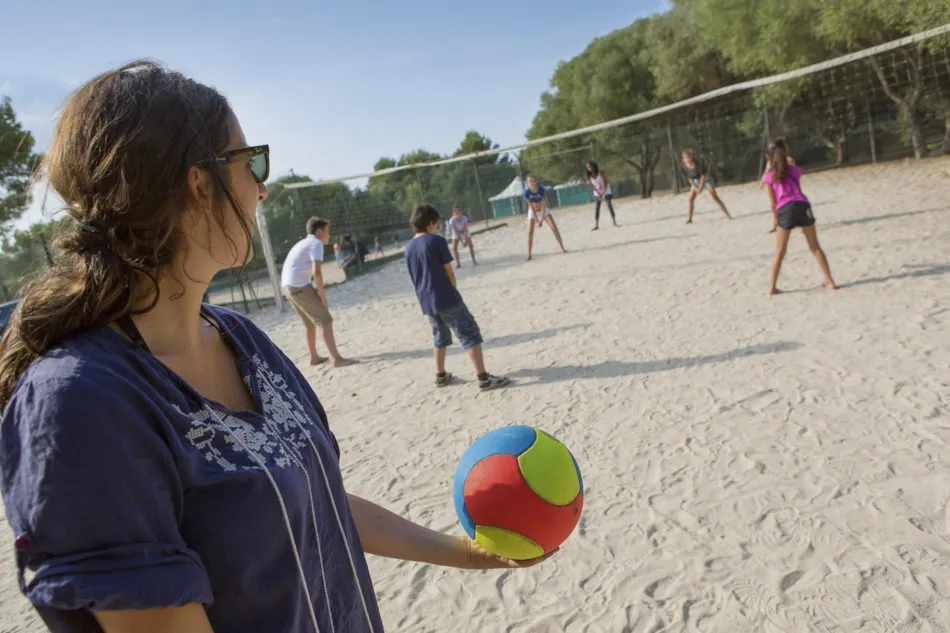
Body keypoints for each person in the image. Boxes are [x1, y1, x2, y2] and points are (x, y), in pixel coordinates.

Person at [0, 61, 550, 633]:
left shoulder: (245, 341)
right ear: (198, 183)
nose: (262, 186)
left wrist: (463, 551)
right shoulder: (81, 404)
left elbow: (316, 503)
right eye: (251, 160)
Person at [404, 204, 509, 391]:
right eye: (435, 223)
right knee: (469, 333)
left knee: (439, 335)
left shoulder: (408, 247)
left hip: (426, 300)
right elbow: (448, 272)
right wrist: (453, 290)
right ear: (430, 223)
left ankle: (440, 375)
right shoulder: (436, 241)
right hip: (445, 296)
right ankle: (483, 378)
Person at [762, 139, 837, 295]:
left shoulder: (769, 177)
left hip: (784, 209)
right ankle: (830, 281)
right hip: (802, 205)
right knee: (815, 247)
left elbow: (772, 202)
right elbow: (792, 168)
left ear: (768, 157)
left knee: (780, 252)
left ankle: (772, 287)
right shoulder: (794, 170)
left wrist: (776, 220)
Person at [282, 217, 358, 368]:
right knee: (325, 320)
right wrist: (322, 296)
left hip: (287, 286)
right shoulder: (316, 243)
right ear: (319, 231)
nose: (329, 236)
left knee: (310, 324)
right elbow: (316, 272)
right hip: (298, 286)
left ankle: (314, 357)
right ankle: (336, 359)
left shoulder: (303, 243)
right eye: (327, 232)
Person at [523, 175, 567, 261]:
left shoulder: (541, 189)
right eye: (530, 181)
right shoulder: (527, 192)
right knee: (530, 232)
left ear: (536, 181)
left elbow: (544, 204)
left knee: (554, 227)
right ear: (528, 183)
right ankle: (529, 254)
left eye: (533, 180)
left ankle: (562, 248)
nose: (532, 183)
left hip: (543, 209)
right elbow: (530, 206)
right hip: (533, 211)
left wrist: (542, 218)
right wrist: (536, 219)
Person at [681, 151, 731, 223]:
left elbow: (703, 176)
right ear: (683, 159)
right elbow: (690, 179)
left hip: (706, 180)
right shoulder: (684, 167)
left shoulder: (697, 164)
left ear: (691, 157)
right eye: (685, 158)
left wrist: (700, 187)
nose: (687, 159)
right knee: (690, 199)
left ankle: (727, 215)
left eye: (688, 157)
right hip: (696, 181)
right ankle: (690, 219)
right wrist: (695, 187)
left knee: (715, 197)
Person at [585, 161, 617, 230]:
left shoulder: (601, 173)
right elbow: (593, 186)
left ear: (593, 166)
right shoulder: (589, 176)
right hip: (597, 192)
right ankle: (596, 225)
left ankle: (614, 222)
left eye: (590, 166)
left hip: (606, 190)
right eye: (587, 167)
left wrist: (602, 193)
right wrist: (599, 194)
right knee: (597, 207)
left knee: (609, 205)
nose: (589, 168)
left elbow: (605, 183)